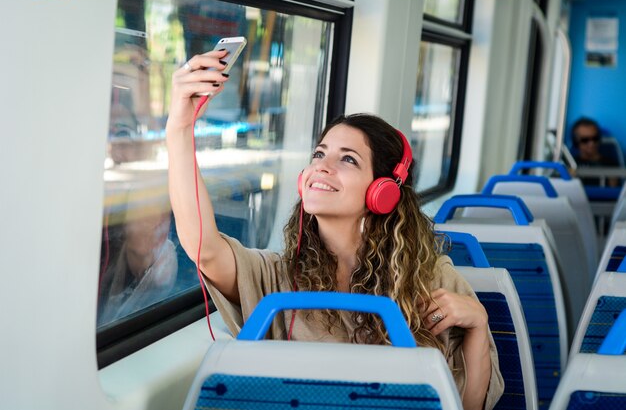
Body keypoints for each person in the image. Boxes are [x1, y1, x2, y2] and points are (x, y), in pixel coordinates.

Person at [166, 50, 504, 410]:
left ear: (383, 193)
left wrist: (478, 325)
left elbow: (466, 407)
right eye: (318, 154)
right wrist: (180, 127)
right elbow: (203, 247)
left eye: (347, 159)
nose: (321, 167)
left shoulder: (434, 282)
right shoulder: (276, 278)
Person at [98, 211, 178, 326]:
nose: (158, 224)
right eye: (146, 214)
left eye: (165, 215)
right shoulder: (102, 264)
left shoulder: (168, 263)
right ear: (124, 224)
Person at [571, 117, 620, 187]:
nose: (591, 143)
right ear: (576, 141)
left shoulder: (610, 164)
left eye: (595, 138)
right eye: (585, 140)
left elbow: (613, 193)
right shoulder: (571, 164)